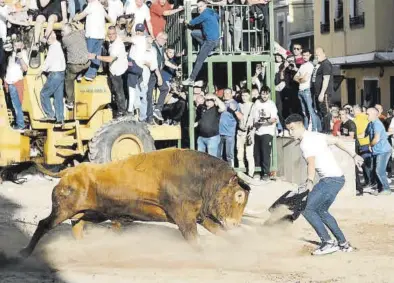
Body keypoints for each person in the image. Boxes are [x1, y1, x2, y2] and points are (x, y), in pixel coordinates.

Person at [285, 113, 363, 256]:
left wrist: (309, 181)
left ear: (300, 126)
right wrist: (354, 155)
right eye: (289, 130)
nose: (290, 133)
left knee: (307, 209)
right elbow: (337, 141)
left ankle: (328, 242)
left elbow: (311, 163)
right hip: (337, 179)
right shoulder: (316, 135)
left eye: (292, 129)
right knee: (321, 211)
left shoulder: (305, 143)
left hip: (330, 180)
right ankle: (343, 243)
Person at [89, 26, 128, 118]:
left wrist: (95, 56)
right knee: (116, 91)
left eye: (113, 34)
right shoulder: (114, 41)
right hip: (114, 70)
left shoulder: (117, 45)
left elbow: (110, 59)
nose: (111, 36)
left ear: (116, 34)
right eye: (109, 34)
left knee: (119, 92)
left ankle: (122, 111)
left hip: (118, 72)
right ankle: (118, 108)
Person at [182, 0, 220, 86]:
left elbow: (192, 22)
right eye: (198, 7)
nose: (199, 8)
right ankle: (211, 50)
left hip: (210, 41)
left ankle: (191, 79)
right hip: (213, 38)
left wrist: (184, 21)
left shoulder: (204, 14)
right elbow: (218, 17)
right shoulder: (212, 11)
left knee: (199, 60)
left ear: (205, 5)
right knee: (194, 33)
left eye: (201, 6)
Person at [248, 86, 277, 181]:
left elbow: (273, 119)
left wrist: (266, 121)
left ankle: (266, 173)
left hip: (267, 131)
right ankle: (257, 171)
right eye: (263, 93)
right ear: (260, 94)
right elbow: (253, 116)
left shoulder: (271, 104)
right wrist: (255, 124)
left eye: (266, 93)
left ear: (269, 94)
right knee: (256, 153)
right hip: (257, 131)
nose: (264, 95)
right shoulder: (257, 103)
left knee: (265, 153)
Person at [37, 31, 66, 125]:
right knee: (58, 97)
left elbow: (48, 61)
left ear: (52, 38)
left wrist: (40, 71)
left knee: (44, 94)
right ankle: (60, 119)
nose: (47, 41)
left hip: (55, 74)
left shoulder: (53, 47)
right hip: (61, 73)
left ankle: (50, 114)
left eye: (47, 38)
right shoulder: (58, 45)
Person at [366, 107, 392, 195]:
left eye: (368, 114)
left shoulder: (377, 124)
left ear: (374, 114)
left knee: (379, 170)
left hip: (383, 151)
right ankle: (380, 188)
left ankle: (386, 189)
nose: (366, 116)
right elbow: (364, 134)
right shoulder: (371, 124)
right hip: (377, 151)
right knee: (374, 170)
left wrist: (370, 145)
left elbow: (376, 139)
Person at [293, 49, 318, 131]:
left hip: (307, 90)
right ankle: (306, 129)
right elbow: (295, 78)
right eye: (303, 55)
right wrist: (301, 78)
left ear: (310, 55)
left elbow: (305, 79)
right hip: (300, 90)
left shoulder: (310, 65)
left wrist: (300, 78)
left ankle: (315, 129)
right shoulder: (302, 66)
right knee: (304, 112)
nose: (305, 57)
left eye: (306, 55)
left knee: (311, 111)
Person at [312, 47, 334, 134]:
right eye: (316, 55)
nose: (317, 57)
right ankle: (323, 128)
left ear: (324, 54)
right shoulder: (319, 64)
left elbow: (326, 79)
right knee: (320, 111)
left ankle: (327, 130)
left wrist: (322, 93)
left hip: (324, 93)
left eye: (319, 54)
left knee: (325, 111)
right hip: (318, 92)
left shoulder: (326, 64)